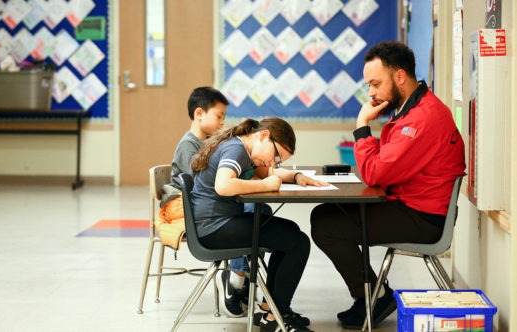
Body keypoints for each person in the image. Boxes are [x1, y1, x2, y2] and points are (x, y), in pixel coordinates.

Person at [310, 41, 466, 330]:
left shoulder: (422, 119)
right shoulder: (412, 109)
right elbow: (384, 167)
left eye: (375, 83)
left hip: (423, 217)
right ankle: (372, 294)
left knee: (326, 225)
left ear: (400, 76)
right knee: (324, 214)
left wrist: (361, 127)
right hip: (412, 205)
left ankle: (375, 297)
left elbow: (374, 172)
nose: (371, 93)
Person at [190, 117, 326, 332]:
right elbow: (223, 185)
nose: (273, 163)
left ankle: (269, 308)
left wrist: (296, 176)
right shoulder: (236, 150)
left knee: (290, 233)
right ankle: (276, 316)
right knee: (298, 243)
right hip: (214, 228)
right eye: (275, 156)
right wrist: (264, 184)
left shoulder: (244, 149)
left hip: (217, 224)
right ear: (264, 136)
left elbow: (268, 173)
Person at [158, 86, 252, 317]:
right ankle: (237, 278)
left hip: (209, 202)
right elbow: (202, 184)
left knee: (257, 210)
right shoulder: (188, 146)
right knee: (244, 213)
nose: (222, 122)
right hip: (194, 211)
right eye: (219, 116)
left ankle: (244, 271)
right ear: (199, 114)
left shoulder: (211, 142)